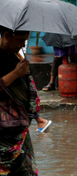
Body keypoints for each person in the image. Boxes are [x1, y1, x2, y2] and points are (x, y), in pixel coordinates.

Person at [0, 27, 39, 175]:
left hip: (18, 123)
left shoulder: (14, 55)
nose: (23, 44)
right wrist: (16, 73)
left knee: (25, 169)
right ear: (7, 36)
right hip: (3, 128)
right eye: (21, 40)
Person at [42, 0, 77, 91]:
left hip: (73, 32)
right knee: (57, 57)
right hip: (61, 32)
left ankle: (76, 81)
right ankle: (52, 82)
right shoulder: (60, 1)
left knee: (75, 57)